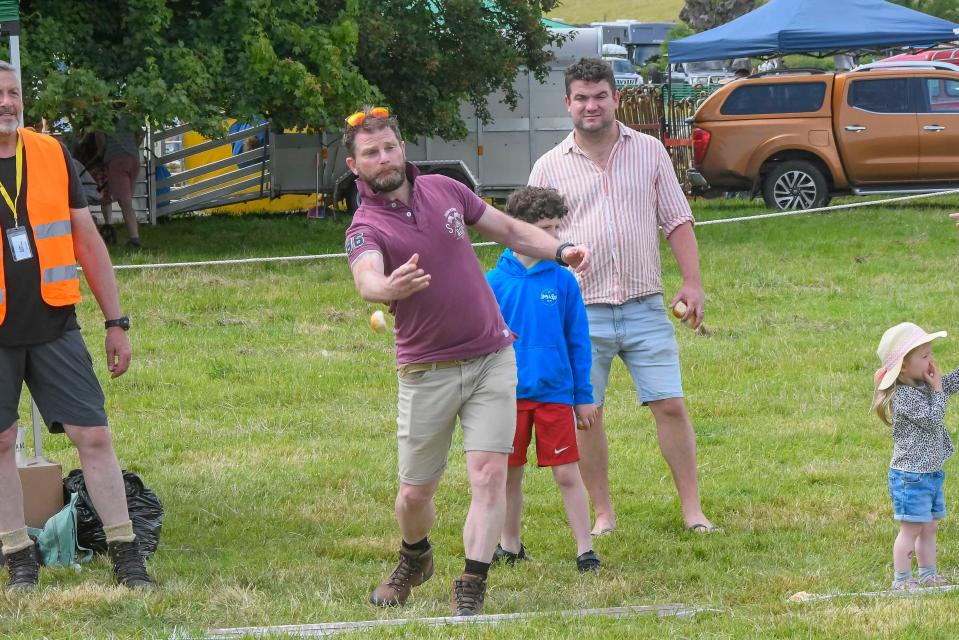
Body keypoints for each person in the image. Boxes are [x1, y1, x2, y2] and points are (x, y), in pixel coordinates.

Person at [342, 107, 590, 616]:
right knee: (415, 495)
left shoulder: (445, 189)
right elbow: (366, 278)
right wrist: (387, 287)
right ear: (355, 165)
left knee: (488, 475)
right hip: (425, 368)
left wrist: (562, 249)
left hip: (492, 357)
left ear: (402, 148)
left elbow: (512, 231)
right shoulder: (365, 225)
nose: (383, 158)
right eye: (371, 153)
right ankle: (415, 555)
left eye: (389, 147)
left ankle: (472, 583)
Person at [528, 57, 716, 536]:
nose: (591, 106)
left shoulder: (649, 151)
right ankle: (604, 514)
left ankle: (693, 511)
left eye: (600, 96)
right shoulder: (548, 166)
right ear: (567, 103)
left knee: (670, 404)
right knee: (587, 418)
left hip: (644, 304)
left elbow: (676, 220)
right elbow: (531, 239)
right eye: (582, 98)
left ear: (616, 98)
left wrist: (692, 283)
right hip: (580, 313)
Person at [0, 62, 152, 590]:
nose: (7, 103)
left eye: (14, 92)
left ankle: (126, 553)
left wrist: (116, 321)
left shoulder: (49, 153)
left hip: (54, 325)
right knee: (0, 444)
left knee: (94, 435)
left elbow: (87, 241)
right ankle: (19, 556)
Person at [485, 186, 599, 573]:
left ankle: (586, 550)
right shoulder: (493, 282)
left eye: (556, 228)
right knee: (507, 475)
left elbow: (578, 341)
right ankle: (509, 545)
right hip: (507, 397)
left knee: (567, 473)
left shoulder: (563, 280)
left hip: (555, 396)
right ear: (518, 229)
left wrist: (583, 397)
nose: (553, 238)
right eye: (544, 229)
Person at [871, 322, 959, 590]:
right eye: (925, 356)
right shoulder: (904, 397)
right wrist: (938, 389)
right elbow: (933, 418)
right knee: (911, 530)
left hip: (930, 474)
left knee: (929, 527)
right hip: (910, 477)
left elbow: (948, 384)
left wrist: (940, 386)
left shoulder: (923, 385)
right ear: (904, 367)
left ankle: (928, 575)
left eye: (931, 353)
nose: (931, 361)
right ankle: (902, 580)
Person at [95, 115, 144, 249]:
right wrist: (132, 146)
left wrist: (101, 153)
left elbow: (100, 140)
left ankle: (135, 239)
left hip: (117, 160)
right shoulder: (129, 116)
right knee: (126, 199)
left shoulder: (103, 117)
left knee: (125, 202)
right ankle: (128, 233)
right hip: (134, 159)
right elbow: (141, 133)